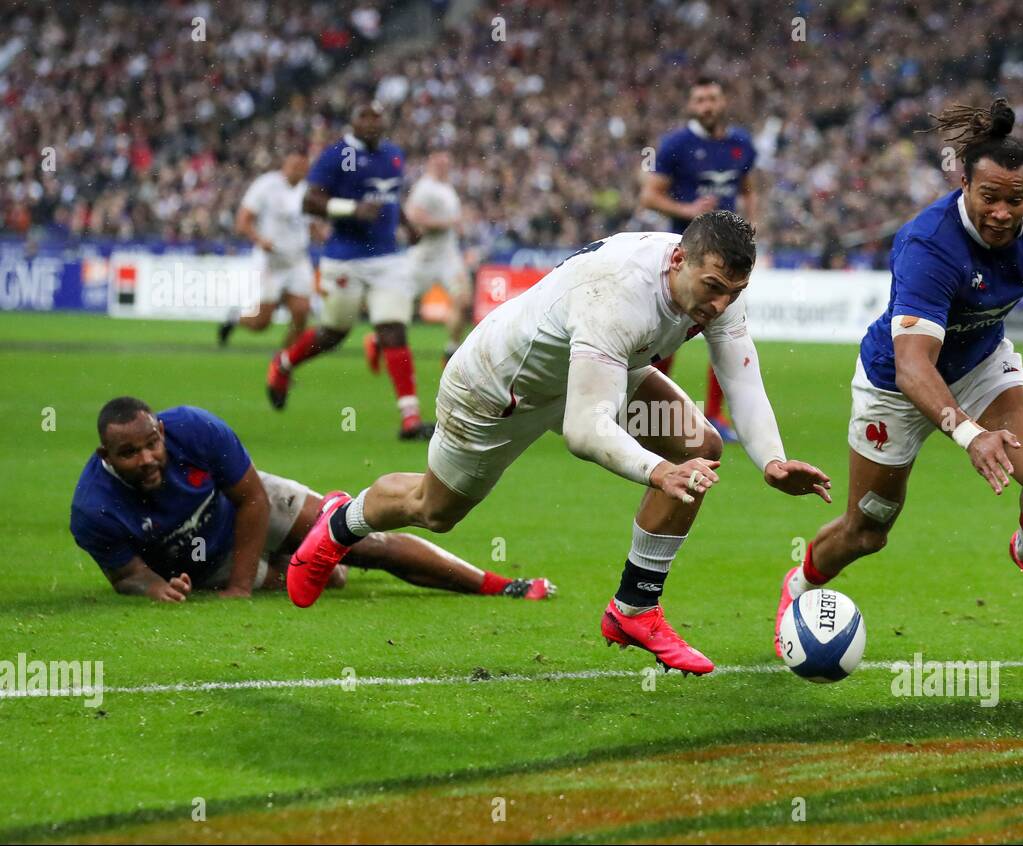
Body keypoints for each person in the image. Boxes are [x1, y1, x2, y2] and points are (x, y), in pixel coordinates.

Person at [286, 212, 831, 675]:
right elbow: (585, 429)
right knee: (434, 510)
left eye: (732, 293)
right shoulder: (619, 293)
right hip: (499, 388)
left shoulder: (714, 283)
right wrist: (654, 472)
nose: (718, 305)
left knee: (697, 446)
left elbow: (742, 380)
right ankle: (341, 521)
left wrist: (773, 461)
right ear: (677, 261)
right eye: (712, 289)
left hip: (600, 370)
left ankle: (634, 606)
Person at [775, 99, 1023, 655]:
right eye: (989, 197)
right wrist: (969, 434)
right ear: (964, 183)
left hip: (982, 366)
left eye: (1015, 199)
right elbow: (915, 366)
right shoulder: (929, 246)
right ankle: (797, 588)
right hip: (895, 386)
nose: (1002, 213)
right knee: (868, 530)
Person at [70, 397, 554, 603]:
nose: (148, 458)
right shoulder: (93, 509)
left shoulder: (194, 428)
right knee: (328, 580)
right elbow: (127, 575)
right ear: (105, 455)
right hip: (199, 563)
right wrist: (156, 588)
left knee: (369, 542)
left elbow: (253, 499)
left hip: (242, 511)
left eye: (152, 442)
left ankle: (498, 584)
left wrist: (241, 588)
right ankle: (303, 564)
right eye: (129, 453)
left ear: (161, 430)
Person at [265, 102, 436, 440]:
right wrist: (350, 208)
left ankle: (410, 418)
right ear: (352, 121)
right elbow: (309, 202)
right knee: (335, 332)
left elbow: (389, 197)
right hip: (345, 257)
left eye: (377, 116)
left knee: (394, 331)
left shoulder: (393, 154)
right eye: (364, 116)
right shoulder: (335, 156)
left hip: (387, 258)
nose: (372, 122)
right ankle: (284, 363)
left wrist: (408, 226)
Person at [639, 76, 759, 444]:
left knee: (724, 335)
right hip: (685, 255)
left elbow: (748, 190)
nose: (706, 105)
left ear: (724, 102)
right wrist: (687, 208)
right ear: (691, 105)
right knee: (666, 334)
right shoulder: (676, 145)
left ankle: (715, 415)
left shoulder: (741, 144)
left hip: (728, 257)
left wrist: (751, 224)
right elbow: (649, 196)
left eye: (712, 98)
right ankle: (651, 410)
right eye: (699, 99)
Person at [219, 152, 315, 349]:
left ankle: (283, 363)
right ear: (285, 165)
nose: (298, 170)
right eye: (294, 165)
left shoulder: (308, 191)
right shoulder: (266, 185)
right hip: (270, 262)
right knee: (261, 323)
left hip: (297, 260)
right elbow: (243, 221)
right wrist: (259, 240)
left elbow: (309, 225)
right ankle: (235, 318)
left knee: (301, 312)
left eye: (302, 166)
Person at [395, 150, 472, 367]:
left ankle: (451, 350)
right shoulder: (424, 187)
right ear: (431, 162)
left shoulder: (446, 188)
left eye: (446, 162)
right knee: (402, 305)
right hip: (425, 256)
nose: (444, 166)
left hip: (448, 255)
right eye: (439, 162)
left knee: (463, 299)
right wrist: (445, 223)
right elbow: (413, 216)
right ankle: (378, 341)